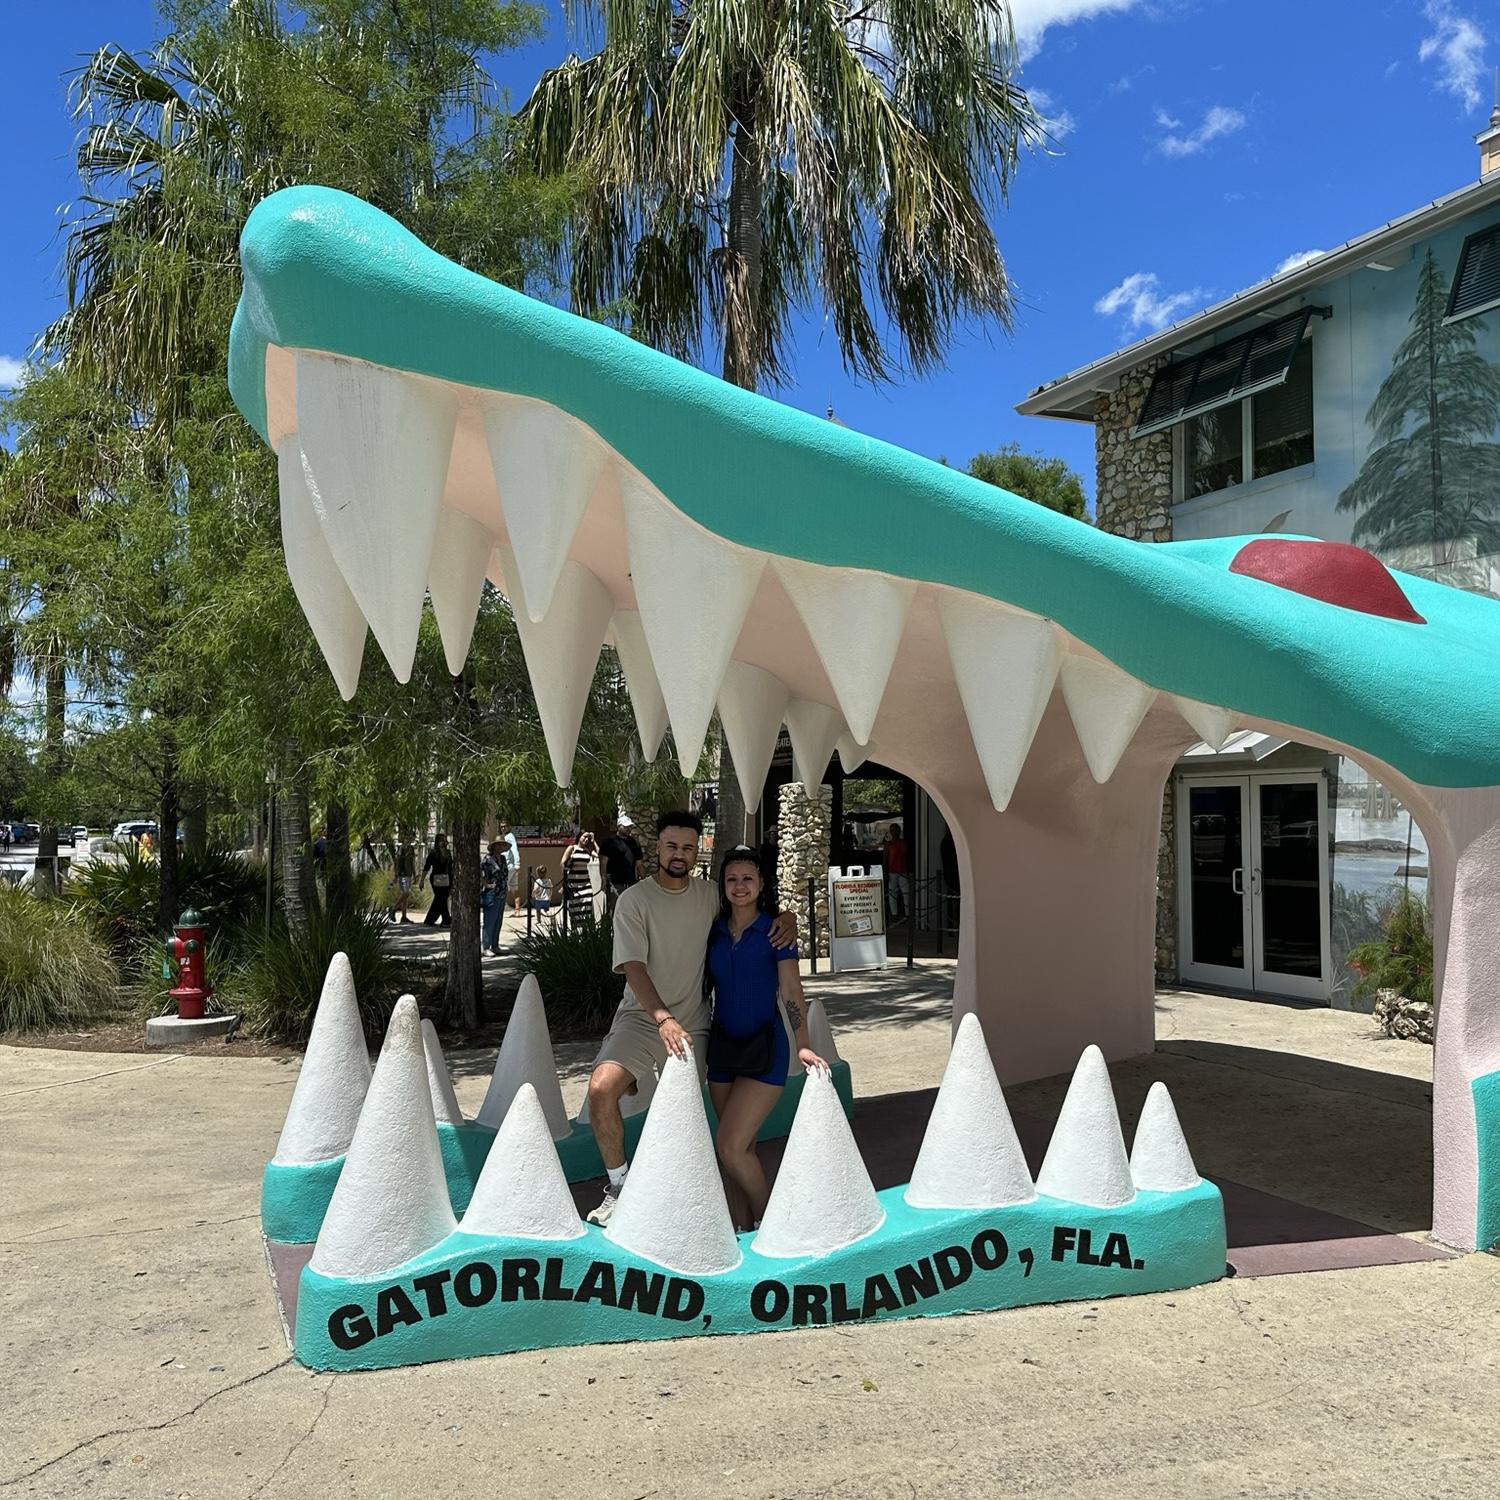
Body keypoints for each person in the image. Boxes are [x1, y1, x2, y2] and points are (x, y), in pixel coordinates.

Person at [582, 811, 797, 1226]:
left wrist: (788, 918)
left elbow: (751, 901)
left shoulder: (711, 896)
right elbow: (633, 967)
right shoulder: (634, 901)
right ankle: (619, 1187)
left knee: (690, 1122)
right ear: (657, 848)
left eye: (687, 847)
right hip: (642, 1018)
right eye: (671, 846)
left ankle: (706, 1213)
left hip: (695, 1026)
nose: (678, 854)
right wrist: (662, 1019)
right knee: (601, 1090)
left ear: (697, 852)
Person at [706, 845, 825, 1230]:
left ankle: (774, 1227)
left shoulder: (776, 931)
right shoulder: (714, 929)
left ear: (761, 884)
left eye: (748, 879)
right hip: (722, 1051)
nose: (739, 886)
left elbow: (791, 989)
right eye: (732, 879)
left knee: (730, 1145)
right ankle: (742, 1231)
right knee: (737, 1151)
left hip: (765, 1048)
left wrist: (803, 1043)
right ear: (723, 885)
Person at [598, 820, 644, 910]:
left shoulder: (634, 843)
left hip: (631, 883)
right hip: (615, 883)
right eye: (626, 826)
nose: (628, 829)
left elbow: (639, 864)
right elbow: (603, 862)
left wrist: (644, 879)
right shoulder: (609, 842)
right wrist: (603, 879)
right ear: (619, 826)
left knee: (631, 910)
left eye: (630, 826)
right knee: (615, 909)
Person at [561, 830, 600, 926]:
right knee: (575, 910)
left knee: (587, 908)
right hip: (573, 884)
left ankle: (585, 930)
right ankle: (575, 930)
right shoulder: (572, 848)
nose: (586, 839)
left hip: (586, 883)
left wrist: (594, 841)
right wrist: (565, 878)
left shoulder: (588, 851)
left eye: (588, 838)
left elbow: (599, 854)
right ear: (579, 837)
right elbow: (562, 863)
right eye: (584, 837)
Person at [480, 839, 508, 956]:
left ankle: (495, 945)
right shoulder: (487, 859)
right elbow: (481, 874)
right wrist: (487, 885)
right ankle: (486, 946)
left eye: (502, 845)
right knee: (489, 921)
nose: (501, 847)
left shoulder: (503, 859)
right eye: (499, 845)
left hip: (502, 892)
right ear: (494, 846)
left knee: (498, 921)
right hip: (492, 893)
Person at [420, 833, 454, 927]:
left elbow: (451, 867)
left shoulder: (448, 853)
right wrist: (422, 880)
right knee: (440, 898)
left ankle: (430, 920)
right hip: (436, 878)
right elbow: (426, 867)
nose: (443, 842)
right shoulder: (433, 853)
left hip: (447, 879)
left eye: (444, 840)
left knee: (440, 899)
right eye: (441, 840)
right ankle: (446, 920)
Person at [885, 822, 910, 922]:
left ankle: (907, 914)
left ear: (899, 831)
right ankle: (894, 914)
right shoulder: (888, 844)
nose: (894, 832)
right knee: (893, 895)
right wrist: (885, 871)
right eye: (892, 830)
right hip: (892, 872)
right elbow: (885, 858)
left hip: (903, 871)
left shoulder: (903, 843)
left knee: (906, 893)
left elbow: (907, 857)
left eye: (895, 830)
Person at [499, 821, 522, 911]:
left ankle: (503, 906)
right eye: (501, 827)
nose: (503, 828)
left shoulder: (509, 836)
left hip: (509, 865)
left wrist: (517, 864)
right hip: (512, 866)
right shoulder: (506, 836)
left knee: (503, 886)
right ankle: (517, 909)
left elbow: (514, 849)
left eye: (505, 826)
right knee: (514, 888)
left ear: (509, 827)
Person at [394, 839, 416, 923]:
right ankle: (394, 908)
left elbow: (412, 863)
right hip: (403, 875)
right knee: (406, 893)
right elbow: (397, 863)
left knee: (405, 897)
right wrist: (396, 875)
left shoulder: (411, 849)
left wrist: (414, 875)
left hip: (408, 875)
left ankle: (404, 917)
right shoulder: (401, 850)